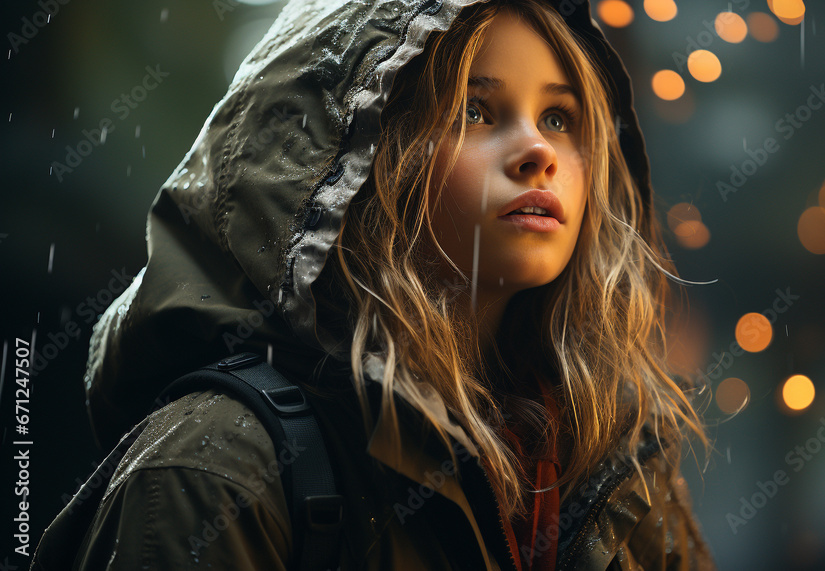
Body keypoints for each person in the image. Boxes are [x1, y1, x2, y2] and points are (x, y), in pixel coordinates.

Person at [33, 0, 716, 569]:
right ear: (352, 163)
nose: (538, 151)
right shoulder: (214, 471)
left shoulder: (614, 469)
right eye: (475, 111)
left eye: (560, 118)